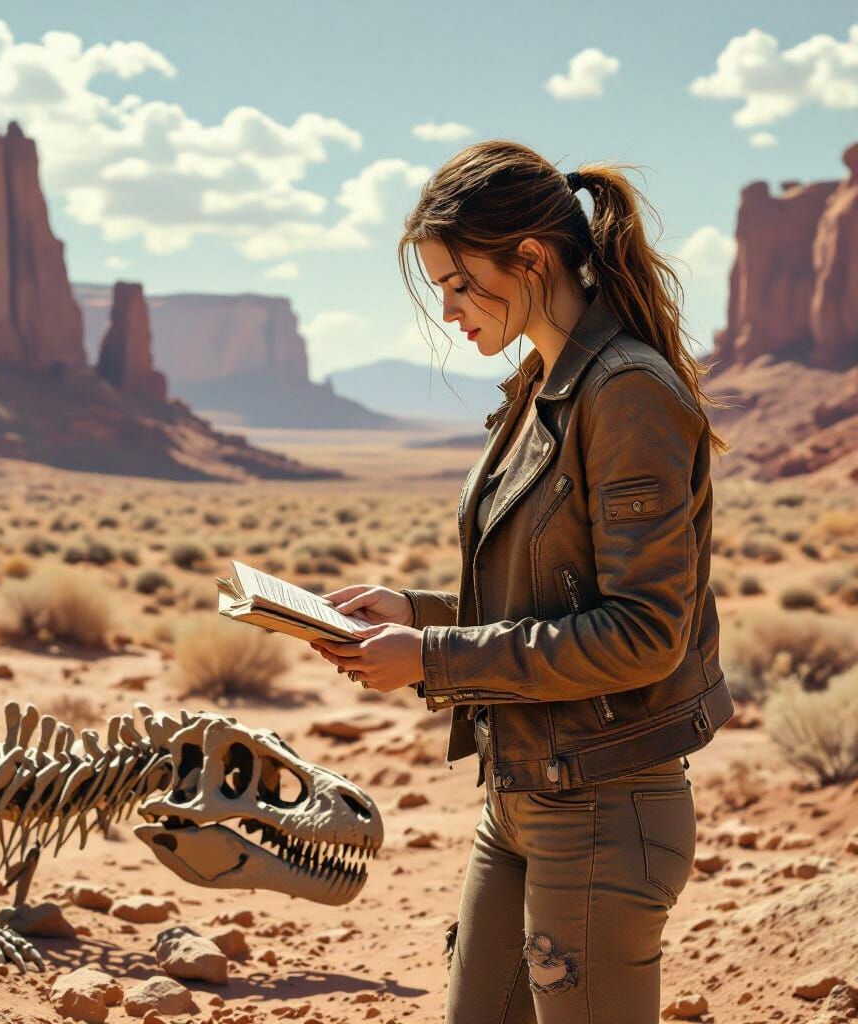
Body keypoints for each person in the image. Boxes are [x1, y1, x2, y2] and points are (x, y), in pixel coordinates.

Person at [308, 140, 735, 1024]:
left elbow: (643, 631)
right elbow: (550, 600)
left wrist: (430, 656)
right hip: (521, 795)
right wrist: (412, 615)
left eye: (460, 283)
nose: (450, 310)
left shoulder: (625, 393)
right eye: (439, 291)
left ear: (532, 258)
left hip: (603, 807)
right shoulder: (541, 387)